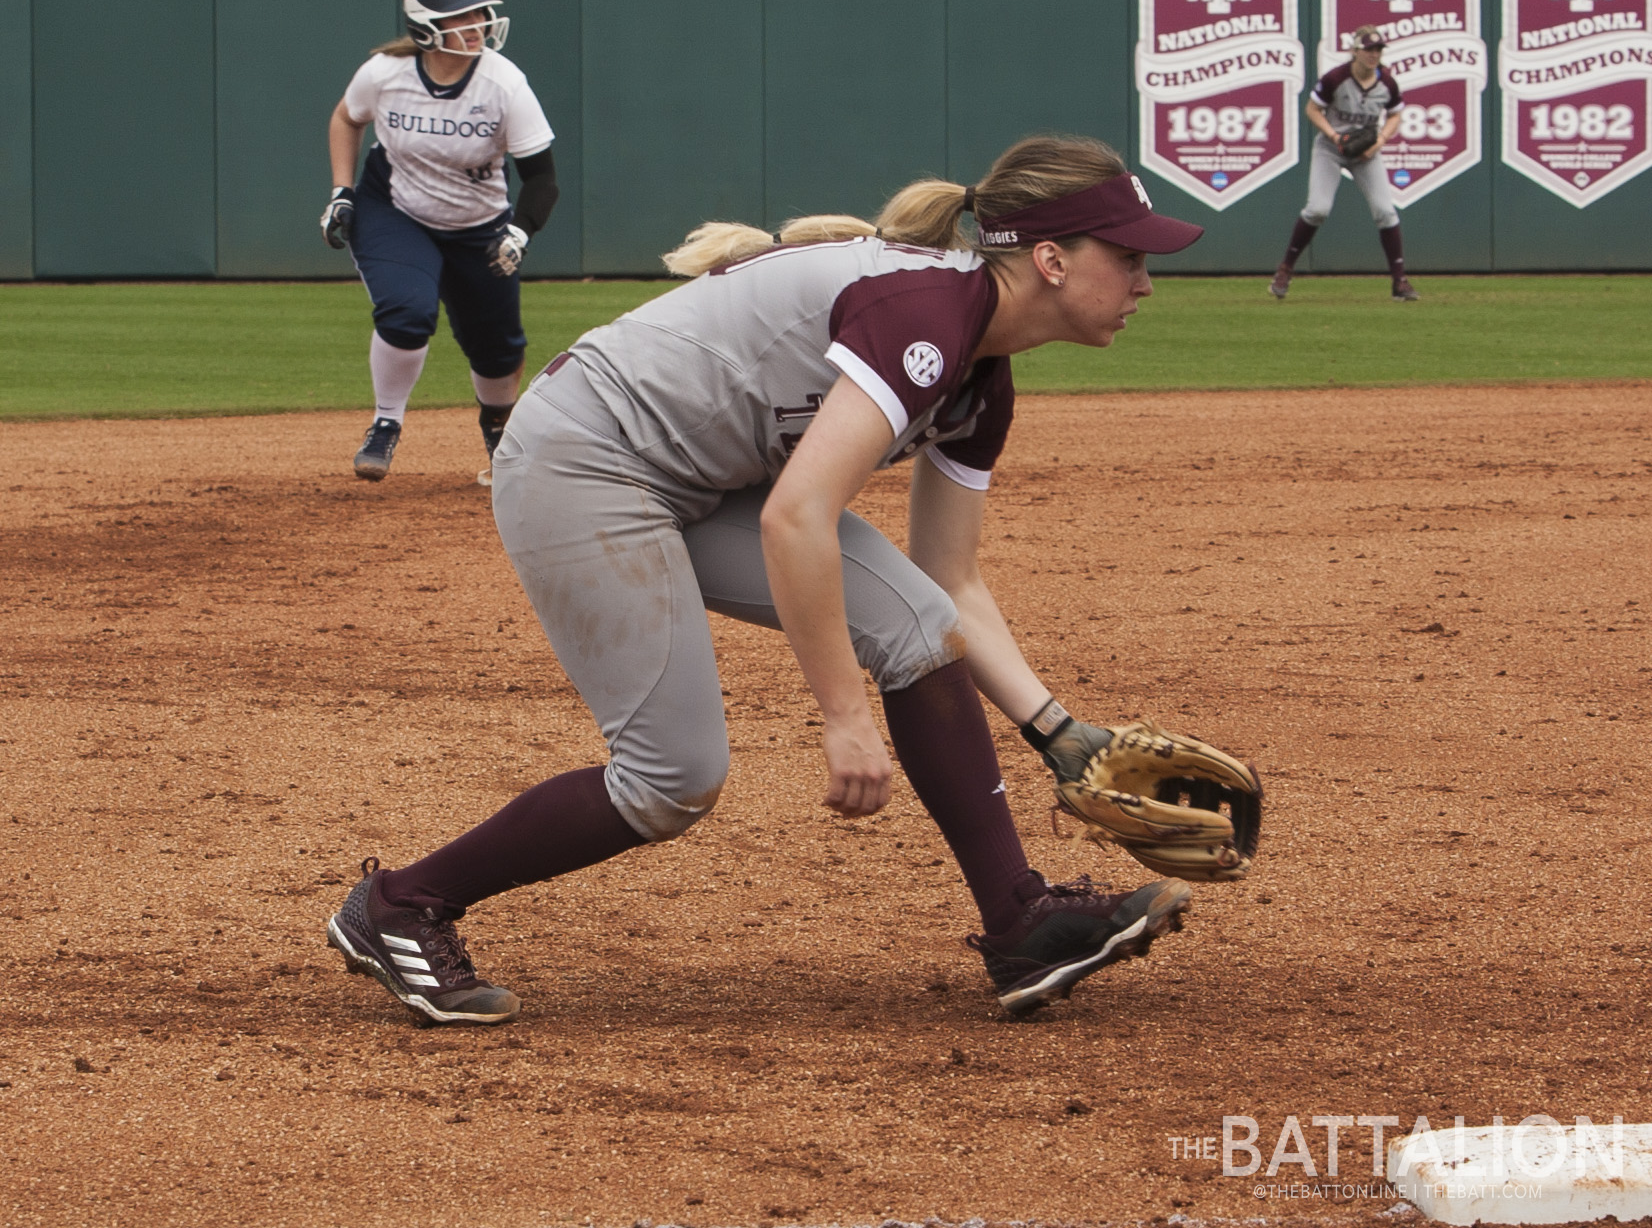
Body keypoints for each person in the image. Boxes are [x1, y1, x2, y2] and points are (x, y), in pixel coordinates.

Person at [327, 134, 1208, 1025]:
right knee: (673, 778)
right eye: (1129, 257)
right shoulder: (925, 312)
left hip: (704, 479)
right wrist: (844, 716)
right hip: (586, 458)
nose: (1144, 281)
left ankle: (1022, 921)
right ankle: (402, 903)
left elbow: (952, 581)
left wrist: (1057, 733)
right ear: (1052, 260)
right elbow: (797, 518)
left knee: (919, 622)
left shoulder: (981, 380)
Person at [320, 0, 560, 482]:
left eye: (480, 15)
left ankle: (498, 431)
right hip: (395, 211)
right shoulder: (385, 73)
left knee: (497, 350)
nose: (477, 27)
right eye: (461, 18)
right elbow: (346, 118)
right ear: (425, 28)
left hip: (480, 225)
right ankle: (386, 424)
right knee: (407, 311)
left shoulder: (503, 82)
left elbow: (542, 180)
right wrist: (342, 192)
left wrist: (519, 233)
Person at [1268, 26, 1418, 302]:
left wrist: (1381, 139)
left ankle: (1400, 282)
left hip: (1367, 153)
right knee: (1317, 209)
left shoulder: (1387, 82)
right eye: (1368, 49)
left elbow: (1396, 114)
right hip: (1331, 149)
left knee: (1385, 211)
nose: (1373, 54)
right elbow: (1312, 109)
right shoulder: (1336, 78)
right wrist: (1335, 135)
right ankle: (1285, 270)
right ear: (1355, 51)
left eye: (1378, 50)